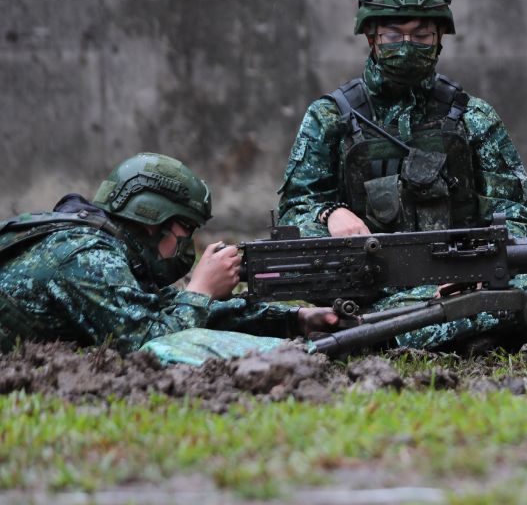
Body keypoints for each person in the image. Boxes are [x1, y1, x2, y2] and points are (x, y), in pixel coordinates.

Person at [277, 0, 527, 352]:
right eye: (393, 35)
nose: (407, 45)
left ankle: (381, 330)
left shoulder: (473, 117)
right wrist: (330, 214)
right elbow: (294, 213)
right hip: (366, 280)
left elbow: (514, 215)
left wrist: (480, 271)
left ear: (439, 39)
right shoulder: (329, 117)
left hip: (460, 274)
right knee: (310, 255)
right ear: (370, 36)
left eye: (421, 35)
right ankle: (459, 324)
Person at [0, 152, 337, 358]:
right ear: (153, 218)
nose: (188, 242)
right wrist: (200, 291)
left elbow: (162, 310)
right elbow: (150, 341)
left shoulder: (110, 249)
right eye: (185, 228)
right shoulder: (87, 256)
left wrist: (294, 320)